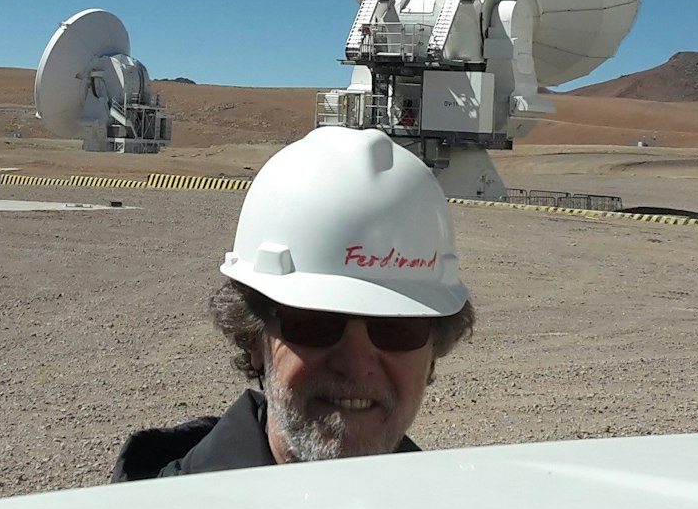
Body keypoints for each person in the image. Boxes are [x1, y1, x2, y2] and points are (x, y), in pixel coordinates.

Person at [111, 126, 475, 480]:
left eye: (397, 328)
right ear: (254, 339)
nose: (356, 365)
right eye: (316, 323)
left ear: (431, 355)